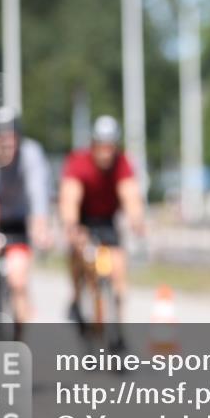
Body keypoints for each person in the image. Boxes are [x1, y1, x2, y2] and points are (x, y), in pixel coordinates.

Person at [59, 115, 145, 324]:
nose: (106, 153)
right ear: (93, 144)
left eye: (110, 147)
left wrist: (136, 220)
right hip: (83, 220)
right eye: (102, 146)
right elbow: (70, 197)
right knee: (79, 254)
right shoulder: (79, 162)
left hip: (107, 221)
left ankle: (116, 328)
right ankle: (77, 297)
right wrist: (71, 225)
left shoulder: (122, 163)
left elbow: (130, 194)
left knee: (117, 271)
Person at [0, 106, 52, 326]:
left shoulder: (31, 154)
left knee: (18, 280)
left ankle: (22, 337)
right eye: (0, 139)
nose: (6, 144)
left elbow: (38, 194)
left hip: (18, 222)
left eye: (11, 138)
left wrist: (40, 228)